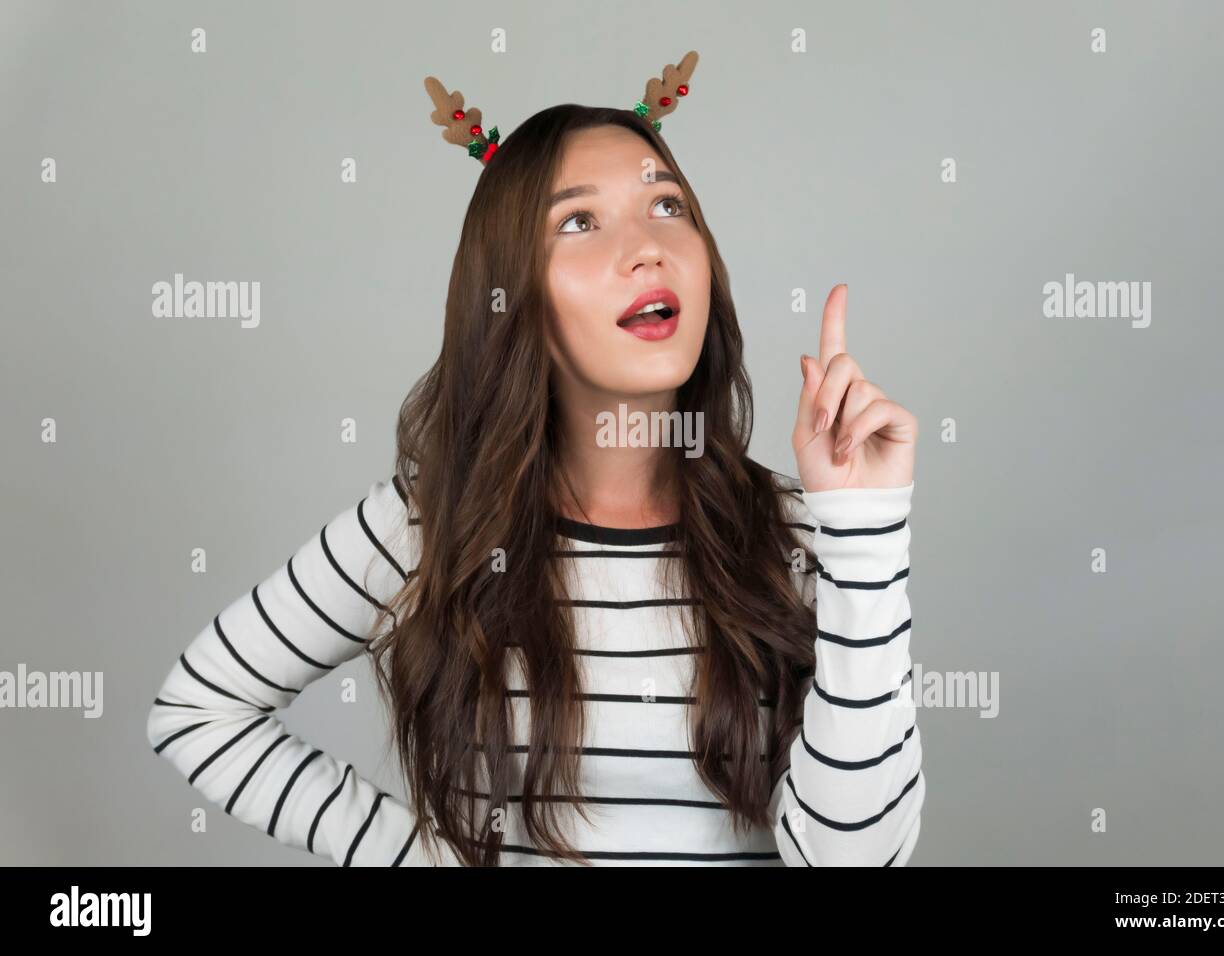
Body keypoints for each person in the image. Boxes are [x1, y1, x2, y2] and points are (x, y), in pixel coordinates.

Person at [145, 98, 923, 867]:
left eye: (666, 205)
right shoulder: (432, 526)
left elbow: (855, 859)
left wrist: (864, 524)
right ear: (512, 291)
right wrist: (428, 857)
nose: (647, 248)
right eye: (579, 222)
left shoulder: (808, 531)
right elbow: (197, 709)